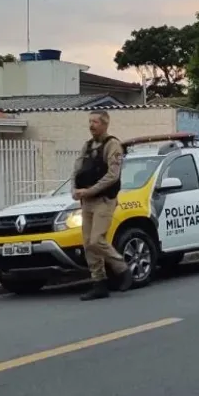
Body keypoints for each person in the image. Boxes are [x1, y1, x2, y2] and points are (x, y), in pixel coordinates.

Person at [71, 110, 133, 301]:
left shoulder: (112, 145)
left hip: (104, 200)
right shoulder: (87, 146)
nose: (91, 125)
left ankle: (122, 269)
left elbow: (112, 176)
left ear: (105, 124)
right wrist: (75, 189)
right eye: (90, 121)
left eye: (95, 122)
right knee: (88, 244)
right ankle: (99, 283)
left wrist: (90, 191)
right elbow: (77, 168)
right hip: (87, 201)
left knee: (97, 239)